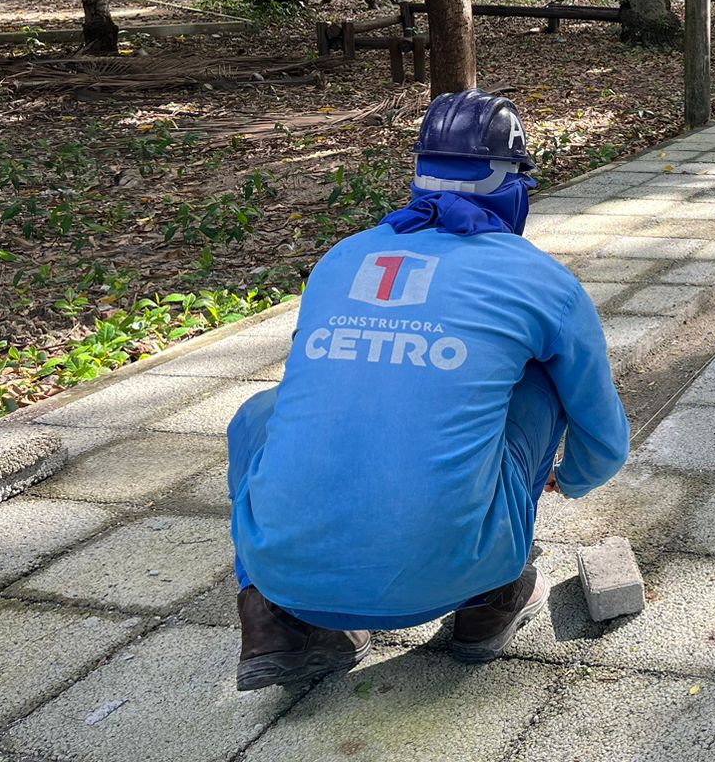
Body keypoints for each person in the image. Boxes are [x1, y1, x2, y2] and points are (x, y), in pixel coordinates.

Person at [226, 89, 630, 691]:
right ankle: (490, 600)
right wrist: (568, 478)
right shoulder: (541, 280)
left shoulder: (343, 257)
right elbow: (604, 439)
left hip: (286, 574)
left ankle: (275, 621)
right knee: (541, 383)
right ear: (515, 185)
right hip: (452, 572)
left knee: (261, 412)